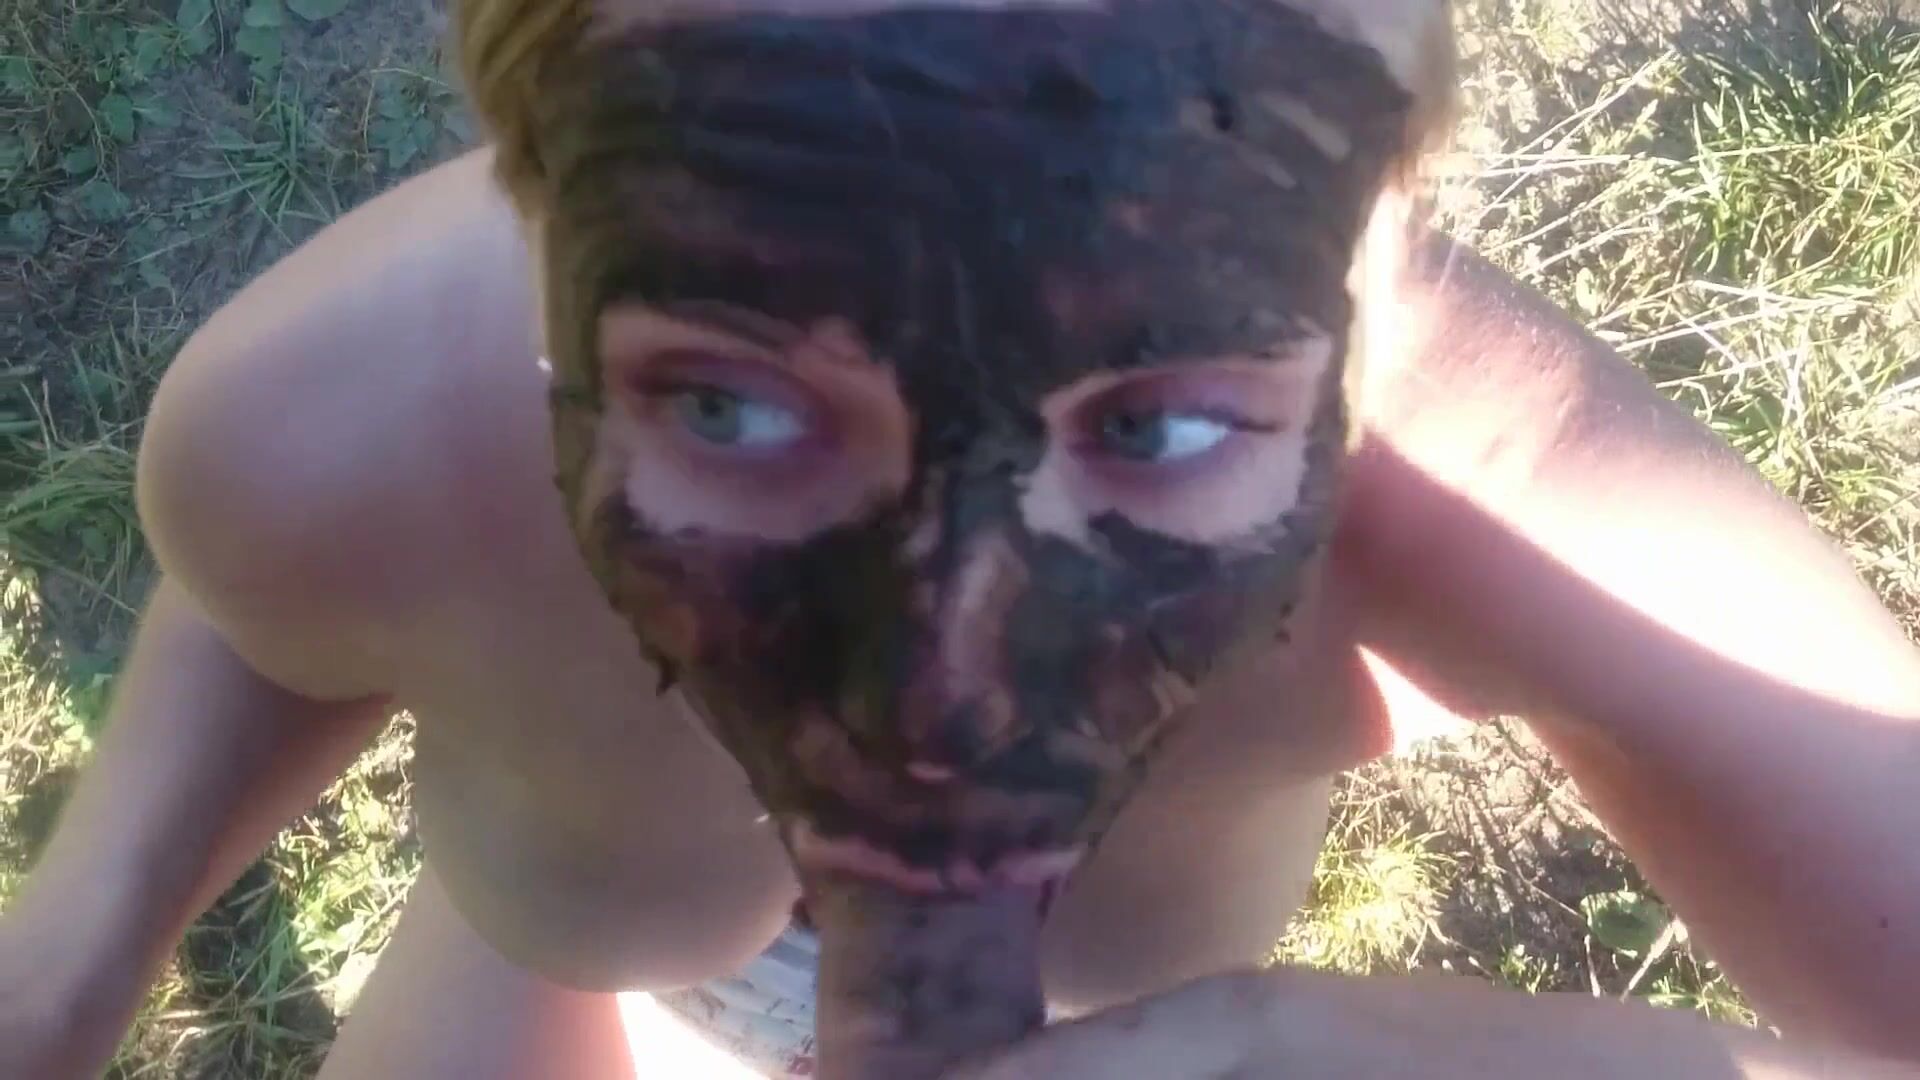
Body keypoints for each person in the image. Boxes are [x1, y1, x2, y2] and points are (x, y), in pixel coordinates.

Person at [2, 0, 1917, 1075]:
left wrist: (1350, 1053)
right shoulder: (343, 420)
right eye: (735, 402)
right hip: (566, 967)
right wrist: (79, 948)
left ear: (1376, 247)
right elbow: (277, 609)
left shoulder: (1476, 491)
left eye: (1153, 418)